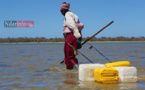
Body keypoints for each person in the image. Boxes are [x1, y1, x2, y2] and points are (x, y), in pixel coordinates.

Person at [60, 2, 84, 69]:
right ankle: (71, 74)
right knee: (71, 55)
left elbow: (73, 25)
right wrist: (79, 39)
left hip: (71, 36)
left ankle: (78, 70)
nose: (61, 13)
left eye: (61, 11)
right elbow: (78, 27)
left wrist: (78, 36)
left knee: (69, 56)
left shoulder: (67, 15)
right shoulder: (74, 15)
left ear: (63, 10)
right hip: (75, 36)